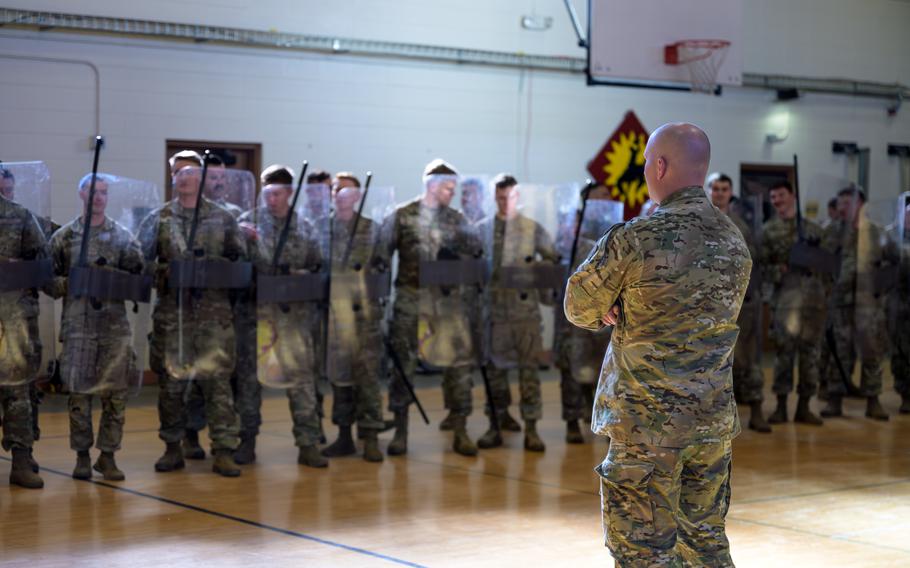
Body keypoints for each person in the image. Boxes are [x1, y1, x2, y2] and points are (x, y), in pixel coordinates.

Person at [565, 123, 749, 566]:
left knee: (642, 553)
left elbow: (579, 306)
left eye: (648, 162)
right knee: (705, 546)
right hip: (710, 426)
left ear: (660, 166)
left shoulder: (635, 238)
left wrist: (610, 306)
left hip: (647, 429)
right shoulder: (733, 241)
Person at [138, 157, 246, 477]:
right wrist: (169, 273)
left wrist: (214, 272)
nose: (183, 178)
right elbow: (139, 265)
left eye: (190, 172)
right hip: (173, 316)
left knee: (218, 385)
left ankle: (224, 449)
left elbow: (241, 263)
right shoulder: (159, 219)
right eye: (177, 173)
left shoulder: (223, 218)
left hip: (214, 317)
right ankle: (173, 447)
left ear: (202, 177)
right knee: (171, 387)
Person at [49, 173, 145, 480]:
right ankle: (81, 456)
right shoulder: (64, 237)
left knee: (115, 395)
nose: (99, 198)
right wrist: (74, 282)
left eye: (104, 192)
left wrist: (114, 279)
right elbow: (46, 282)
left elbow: (139, 279)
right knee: (79, 395)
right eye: (93, 192)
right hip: (78, 327)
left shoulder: (123, 237)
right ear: (81, 195)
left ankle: (108, 455)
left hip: (114, 329)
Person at [385, 159, 482, 457]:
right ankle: (400, 431)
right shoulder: (402, 216)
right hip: (411, 302)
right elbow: (381, 257)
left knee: (458, 365)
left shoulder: (458, 219)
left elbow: (476, 257)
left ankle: (460, 427)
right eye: (447, 188)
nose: (452, 194)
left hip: (448, 305)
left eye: (454, 188)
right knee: (404, 366)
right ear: (432, 185)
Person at [240, 165, 328, 467]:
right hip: (257, 317)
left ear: (289, 193)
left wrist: (294, 275)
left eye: (277, 194)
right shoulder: (247, 224)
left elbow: (317, 265)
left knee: (300, 383)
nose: (271, 200)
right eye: (267, 194)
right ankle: (246, 440)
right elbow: (236, 264)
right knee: (250, 383)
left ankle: (308, 443)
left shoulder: (304, 226)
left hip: (294, 320)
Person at [475, 174, 558, 452]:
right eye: (499, 197)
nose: (505, 202)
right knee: (495, 375)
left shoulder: (531, 228)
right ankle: (495, 425)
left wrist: (534, 271)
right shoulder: (482, 230)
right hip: (493, 315)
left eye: (509, 197)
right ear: (493, 197)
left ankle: (532, 429)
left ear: (518, 197)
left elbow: (551, 261)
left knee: (529, 374)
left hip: (525, 315)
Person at [320, 172, 388, 462]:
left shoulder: (372, 229)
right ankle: (344, 436)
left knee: (368, 377)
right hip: (335, 317)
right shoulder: (322, 228)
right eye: (337, 190)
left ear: (358, 196)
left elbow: (383, 269)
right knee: (340, 378)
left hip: (365, 318)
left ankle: (370, 436)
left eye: (348, 191)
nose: (341, 195)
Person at [820, 186, 892, 420]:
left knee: (872, 351)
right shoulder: (832, 232)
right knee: (840, 352)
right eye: (840, 203)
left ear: (861, 204)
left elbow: (894, 263)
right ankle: (835, 399)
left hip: (869, 306)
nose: (842, 207)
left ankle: (873, 400)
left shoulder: (877, 233)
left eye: (847, 203)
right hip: (840, 304)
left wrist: (881, 287)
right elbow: (821, 263)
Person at [759, 180, 827, 425]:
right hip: (785, 302)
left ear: (792, 196)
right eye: (773, 197)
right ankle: (780, 407)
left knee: (811, 356)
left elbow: (828, 265)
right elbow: (761, 267)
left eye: (781, 195)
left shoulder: (812, 229)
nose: (777, 200)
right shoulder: (768, 230)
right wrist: (782, 269)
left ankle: (805, 406)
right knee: (784, 356)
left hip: (812, 303)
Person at [709, 172, 770, 432]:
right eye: (715, 188)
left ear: (730, 193)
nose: (720, 192)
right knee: (713, 363)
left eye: (724, 188)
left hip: (740, 303)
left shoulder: (741, 225)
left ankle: (756, 410)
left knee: (748, 358)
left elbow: (755, 260)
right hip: (709, 305)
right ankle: (714, 418)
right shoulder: (701, 222)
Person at [0, 167, 48, 489]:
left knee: (18, 390)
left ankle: (21, 459)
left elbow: (43, 266)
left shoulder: (20, 217)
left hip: (14, 318)